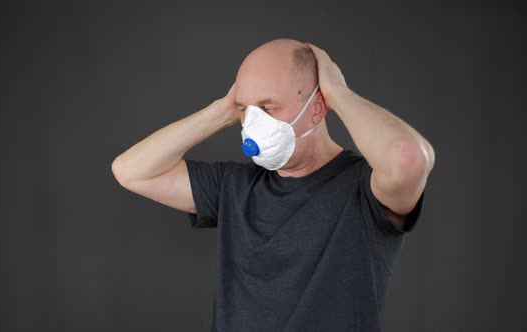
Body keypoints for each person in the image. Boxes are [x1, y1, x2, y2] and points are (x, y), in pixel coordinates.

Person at [111, 38, 435, 332]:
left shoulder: (363, 189)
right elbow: (131, 170)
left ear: (317, 107)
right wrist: (223, 111)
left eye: (267, 108)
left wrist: (339, 93)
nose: (253, 125)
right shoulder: (234, 187)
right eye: (246, 111)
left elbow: (407, 158)